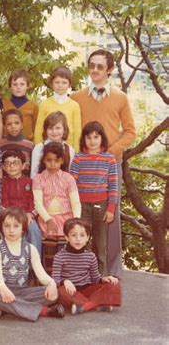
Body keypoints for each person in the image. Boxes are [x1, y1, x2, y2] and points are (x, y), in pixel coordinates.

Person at [71, 49, 136, 278]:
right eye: (92, 65)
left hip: (109, 164)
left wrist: (107, 154)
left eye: (100, 66)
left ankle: (111, 272)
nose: (95, 70)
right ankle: (80, 270)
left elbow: (130, 132)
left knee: (110, 219)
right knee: (80, 217)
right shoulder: (75, 97)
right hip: (83, 166)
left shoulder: (120, 97)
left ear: (109, 70)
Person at [0, 207, 65, 321]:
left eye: (16, 226)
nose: (11, 230)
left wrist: (52, 283)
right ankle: (45, 311)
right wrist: (3, 289)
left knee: (53, 294)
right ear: (1, 228)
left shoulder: (30, 249)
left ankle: (8, 308)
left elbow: (41, 275)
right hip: (4, 290)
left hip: (24, 291)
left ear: (23, 229)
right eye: (7, 226)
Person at [70, 121, 118, 276]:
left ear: (102, 138)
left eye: (96, 137)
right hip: (82, 205)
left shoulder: (109, 159)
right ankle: (84, 275)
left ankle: (102, 275)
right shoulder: (78, 158)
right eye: (88, 137)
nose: (92, 141)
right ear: (83, 139)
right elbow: (72, 183)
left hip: (101, 206)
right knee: (83, 240)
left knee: (101, 242)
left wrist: (111, 209)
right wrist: (73, 206)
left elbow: (113, 186)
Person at [52, 218, 121, 315]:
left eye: (82, 235)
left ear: (87, 237)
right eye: (73, 235)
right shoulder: (59, 257)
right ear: (67, 237)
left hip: (87, 289)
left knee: (114, 284)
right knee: (61, 292)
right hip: (71, 291)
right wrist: (65, 281)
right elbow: (54, 280)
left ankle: (84, 306)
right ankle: (98, 303)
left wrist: (104, 279)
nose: (78, 239)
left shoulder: (90, 256)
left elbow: (95, 278)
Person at [33, 142, 81, 273]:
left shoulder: (68, 178)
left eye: (56, 160)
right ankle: (49, 274)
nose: (52, 164)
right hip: (47, 219)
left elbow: (75, 202)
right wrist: (48, 219)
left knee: (66, 245)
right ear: (44, 160)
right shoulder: (38, 179)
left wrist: (76, 220)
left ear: (62, 161)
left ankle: (68, 274)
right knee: (49, 246)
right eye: (49, 160)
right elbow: (38, 203)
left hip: (66, 218)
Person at [1, 149, 42, 256]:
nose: (11, 166)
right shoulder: (2, 183)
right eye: (8, 163)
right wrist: (14, 216)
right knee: (12, 229)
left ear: (23, 166)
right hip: (10, 217)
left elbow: (34, 201)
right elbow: (3, 202)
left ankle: (35, 263)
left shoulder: (30, 182)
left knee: (33, 229)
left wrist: (30, 214)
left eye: (16, 163)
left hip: (28, 216)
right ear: (4, 167)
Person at [34, 66, 81, 150]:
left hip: (67, 149)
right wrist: (38, 148)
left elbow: (77, 131)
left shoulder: (74, 105)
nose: (60, 85)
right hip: (48, 149)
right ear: (51, 84)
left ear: (69, 84)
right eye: (57, 82)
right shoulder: (44, 104)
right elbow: (39, 129)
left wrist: (76, 152)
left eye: (64, 82)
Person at [30, 111, 74, 178]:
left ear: (64, 129)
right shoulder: (39, 148)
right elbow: (34, 173)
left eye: (58, 128)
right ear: (46, 130)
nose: (54, 132)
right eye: (50, 128)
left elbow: (70, 174)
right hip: (42, 187)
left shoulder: (69, 149)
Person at [2, 68, 39, 141]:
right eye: (15, 84)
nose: (18, 87)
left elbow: (36, 128)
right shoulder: (3, 104)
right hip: (7, 144)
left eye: (22, 84)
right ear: (10, 87)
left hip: (28, 145)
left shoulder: (34, 106)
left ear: (28, 86)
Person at [0, 109, 34, 176]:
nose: (13, 126)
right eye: (9, 124)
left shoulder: (30, 146)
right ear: (4, 127)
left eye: (16, 123)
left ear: (22, 125)